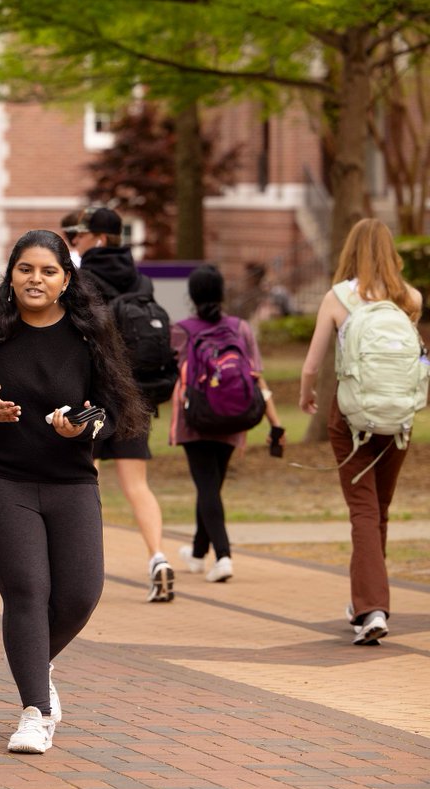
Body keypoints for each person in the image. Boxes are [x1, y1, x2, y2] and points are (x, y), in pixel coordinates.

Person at [0, 229, 150, 754]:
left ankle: (34, 660)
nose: (36, 279)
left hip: (70, 478)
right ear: (11, 273)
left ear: (66, 279)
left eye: (48, 271)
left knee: (81, 593)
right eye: (26, 269)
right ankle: (35, 710)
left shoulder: (89, 330)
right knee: (27, 591)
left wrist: (80, 425)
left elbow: (107, 404)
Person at [299, 218, 425, 646]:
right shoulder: (410, 298)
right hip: (398, 420)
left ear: (350, 251)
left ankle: (371, 606)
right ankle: (365, 604)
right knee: (379, 509)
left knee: (363, 511)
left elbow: (313, 365)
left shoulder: (338, 297)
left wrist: (305, 397)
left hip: (350, 419)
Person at [72, 206, 176, 602]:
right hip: (135, 397)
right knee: (138, 487)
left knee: (85, 480)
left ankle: (84, 567)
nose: (76, 239)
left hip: (93, 396)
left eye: (81, 233)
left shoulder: (81, 281)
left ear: (97, 238)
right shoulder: (141, 280)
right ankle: (158, 557)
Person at [170, 265, 284, 583]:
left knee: (207, 487)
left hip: (195, 419)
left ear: (192, 295)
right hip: (234, 417)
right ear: (222, 293)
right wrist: (275, 424)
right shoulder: (241, 328)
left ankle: (223, 557)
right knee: (212, 486)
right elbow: (257, 376)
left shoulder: (181, 330)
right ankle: (196, 552)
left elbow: (169, 373)